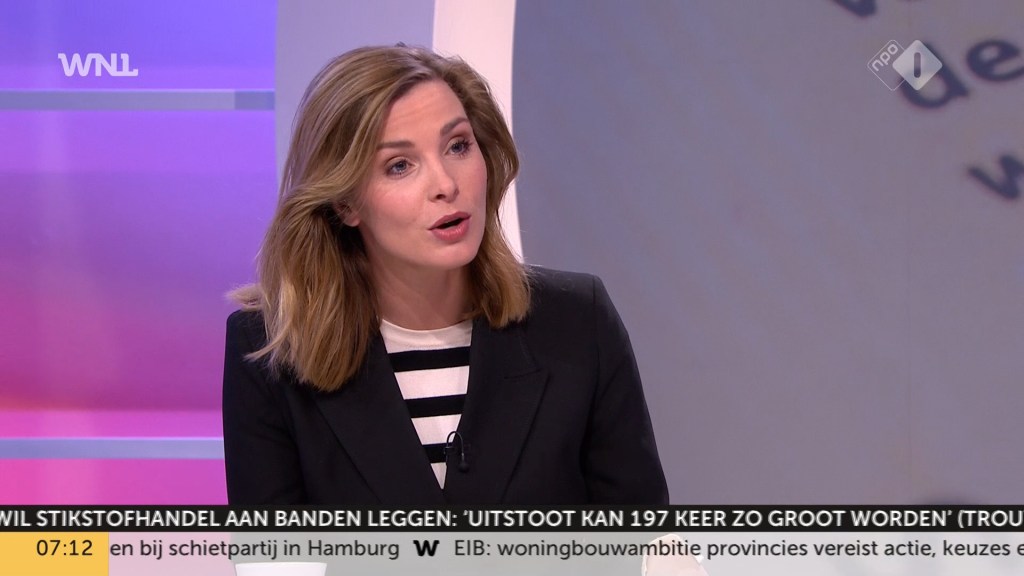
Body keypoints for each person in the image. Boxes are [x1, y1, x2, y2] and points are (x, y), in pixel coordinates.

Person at [222, 45, 667, 505]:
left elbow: (641, 536)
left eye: (458, 146)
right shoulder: (268, 353)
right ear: (346, 203)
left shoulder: (577, 323)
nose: (446, 185)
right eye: (399, 165)